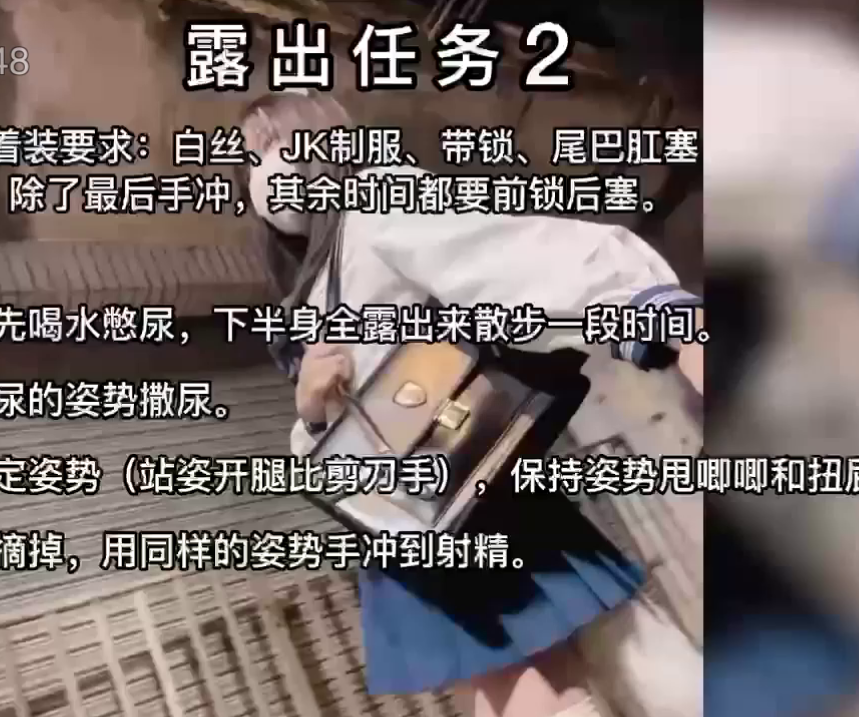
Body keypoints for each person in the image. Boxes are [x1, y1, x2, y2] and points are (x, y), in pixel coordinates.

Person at [237, 88, 704, 717]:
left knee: (548, 684)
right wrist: (313, 411)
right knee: (601, 663)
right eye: (250, 159)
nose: (265, 173)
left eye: (276, 144)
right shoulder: (312, 287)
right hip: (414, 512)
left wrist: (641, 303)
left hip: (452, 494)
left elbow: (499, 255)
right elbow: (342, 443)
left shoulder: (379, 201)